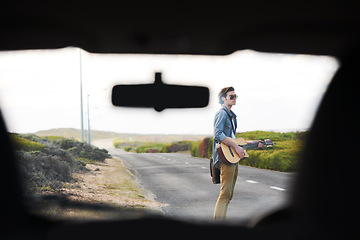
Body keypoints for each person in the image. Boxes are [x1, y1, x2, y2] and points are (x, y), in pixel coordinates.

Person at [213, 86, 263, 221]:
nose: (234, 99)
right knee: (225, 195)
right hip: (225, 159)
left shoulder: (232, 116)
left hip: (232, 158)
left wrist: (253, 142)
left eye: (236, 96)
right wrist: (236, 146)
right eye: (231, 96)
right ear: (223, 99)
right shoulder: (222, 113)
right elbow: (218, 134)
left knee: (228, 195)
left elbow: (234, 140)